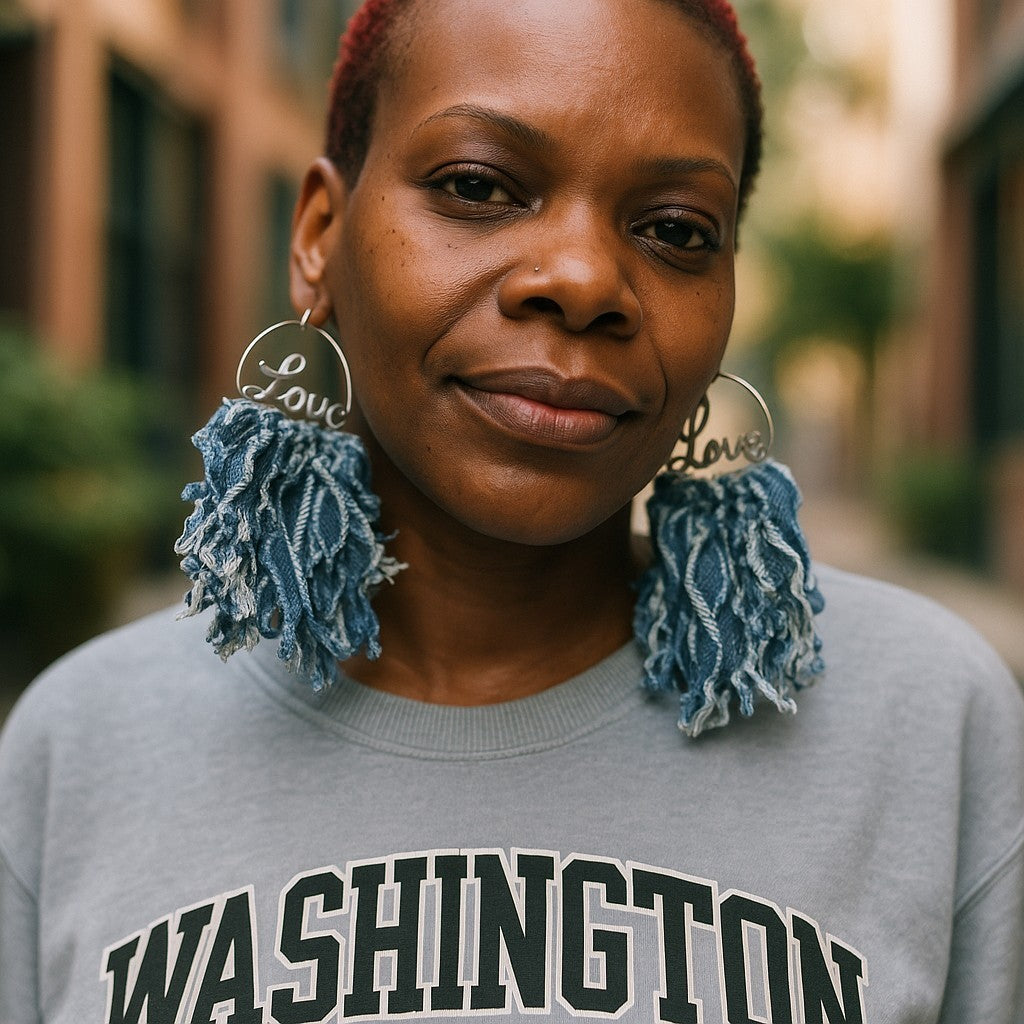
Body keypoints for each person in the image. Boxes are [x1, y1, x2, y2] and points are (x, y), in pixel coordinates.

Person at [1, 0, 1022, 1020]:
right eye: (478, 186)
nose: (581, 280)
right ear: (319, 234)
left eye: (675, 230)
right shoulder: (79, 750)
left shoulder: (929, 729)